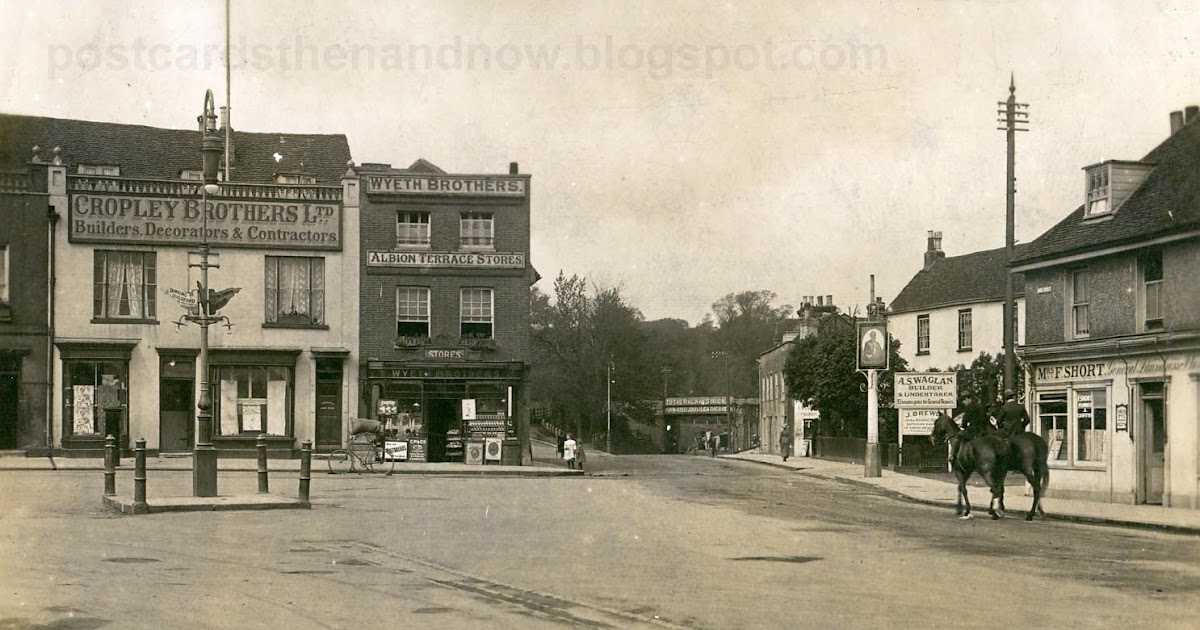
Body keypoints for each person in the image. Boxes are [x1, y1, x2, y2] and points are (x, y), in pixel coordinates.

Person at [949, 392, 993, 464]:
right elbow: (986, 419)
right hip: (983, 430)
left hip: (973, 429)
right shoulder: (980, 406)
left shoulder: (969, 407)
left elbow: (965, 421)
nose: (963, 403)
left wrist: (963, 426)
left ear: (967, 399)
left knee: (958, 436)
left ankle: (952, 455)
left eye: (963, 400)